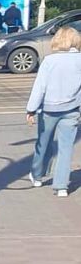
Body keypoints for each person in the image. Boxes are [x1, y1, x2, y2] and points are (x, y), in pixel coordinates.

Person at [25, 26, 81, 197]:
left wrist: (31, 109)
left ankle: (37, 176)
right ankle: (61, 186)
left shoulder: (49, 61)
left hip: (49, 109)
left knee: (43, 143)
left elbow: (40, 87)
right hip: (72, 109)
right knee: (66, 148)